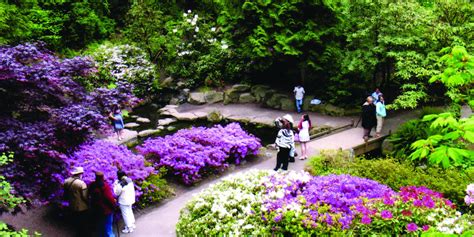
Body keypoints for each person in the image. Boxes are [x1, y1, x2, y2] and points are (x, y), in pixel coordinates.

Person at [63, 167, 89, 237]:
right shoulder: (81, 183)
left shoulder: (66, 181)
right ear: (80, 174)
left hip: (71, 205)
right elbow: (85, 196)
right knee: (83, 223)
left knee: (76, 221)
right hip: (82, 207)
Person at [89, 171, 116, 237]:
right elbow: (109, 198)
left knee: (100, 228)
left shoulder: (92, 185)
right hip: (106, 210)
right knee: (108, 228)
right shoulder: (105, 186)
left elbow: (90, 195)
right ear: (103, 177)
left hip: (97, 210)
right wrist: (114, 204)